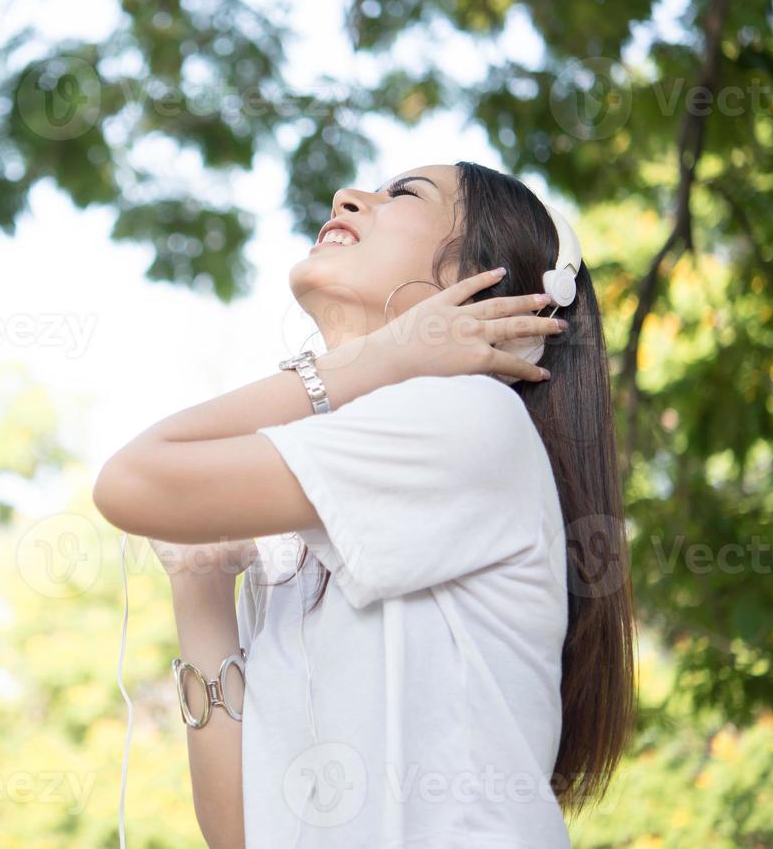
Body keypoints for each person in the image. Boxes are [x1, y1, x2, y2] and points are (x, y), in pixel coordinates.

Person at [93, 161, 636, 848]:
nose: (346, 197)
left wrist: (382, 357)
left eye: (403, 194)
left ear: (484, 285)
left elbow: (129, 481)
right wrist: (199, 585)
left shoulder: (470, 418)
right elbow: (239, 835)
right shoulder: (309, 512)